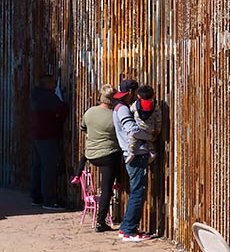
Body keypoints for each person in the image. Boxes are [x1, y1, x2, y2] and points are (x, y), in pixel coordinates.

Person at [71, 84, 124, 232]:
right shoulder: (114, 115)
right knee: (106, 189)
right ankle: (101, 221)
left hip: (91, 155)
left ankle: (76, 175)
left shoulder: (89, 112)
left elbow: (83, 128)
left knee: (92, 159)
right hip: (108, 155)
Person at [112, 79, 152, 242]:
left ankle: (126, 228)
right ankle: (129, 230)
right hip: (135, 154)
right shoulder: (123, 110)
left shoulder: (118, 108)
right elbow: (132, 129)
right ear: (131, 93)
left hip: (131, 153)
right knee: (137, 192)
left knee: (136, 191)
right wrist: (149, 135)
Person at [30, 74, 68, 210]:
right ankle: (49, 200)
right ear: (47, 84)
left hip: (37, 135)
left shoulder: (36, 95)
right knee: (49, 168)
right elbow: (63, 109)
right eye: (53, 83)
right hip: (48, 135)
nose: (54, 85)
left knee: (38, 166)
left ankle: (36, 197)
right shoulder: (48, 97)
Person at [126, 85, 161, 164]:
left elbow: (130, 111)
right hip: (150, 132)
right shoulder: (155, 107)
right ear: (153, 95)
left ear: (138, 95)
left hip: (139, 130)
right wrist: (157, 131)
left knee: (132, 134)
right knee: (148, 141)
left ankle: (131, 152)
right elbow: (158, 120)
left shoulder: (135, 105)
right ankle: (152, 152)